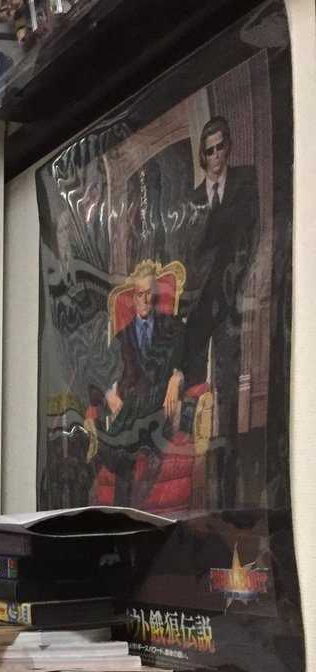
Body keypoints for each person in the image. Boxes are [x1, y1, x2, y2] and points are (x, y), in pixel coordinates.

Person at [181, 115, 259, 507]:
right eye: (208, 151)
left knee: (227, 392)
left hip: (230, 304)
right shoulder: (193, 199)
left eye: (220, 147)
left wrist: (232, 291)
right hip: (199, 310)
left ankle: (228, 493)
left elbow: (251, 240)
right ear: (203, 154)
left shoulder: (246, 182)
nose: (215, 156)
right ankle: (192, 483)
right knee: (195, 391)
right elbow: (190, 257)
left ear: (228, 147)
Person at [100, 262, 184, 506]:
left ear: (155, 295)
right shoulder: (121, 337)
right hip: (136, 414)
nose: (145, 300)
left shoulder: (173, 328)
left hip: (160, 410)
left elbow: (188, 361)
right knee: (127, 449)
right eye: (140, 294)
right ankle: (121, 517)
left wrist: (177, 377)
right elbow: (105, 373)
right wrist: (109, 393)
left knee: (123, 440)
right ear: (133, 298)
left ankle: (112, 445)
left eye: (149, 294)